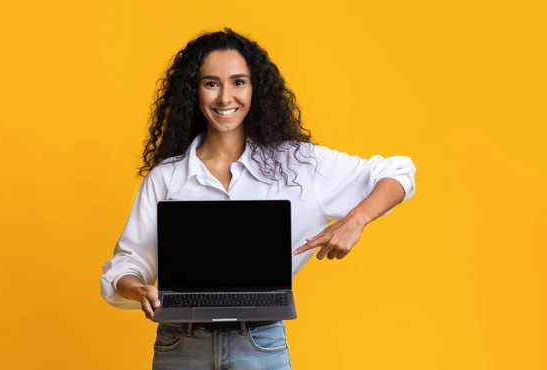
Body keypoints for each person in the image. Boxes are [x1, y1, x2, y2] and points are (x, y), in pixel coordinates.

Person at [100, 28, 416, 369]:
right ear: (193, 91)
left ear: (256, 89)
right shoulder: (166, 178)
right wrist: (136, 289)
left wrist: (356, 220)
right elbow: (129, 263)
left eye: (238, 82)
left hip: (259, 343)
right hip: (181, 343)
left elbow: (398, 172)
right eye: (211, 83)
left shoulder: (299, 166)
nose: (225, 98)